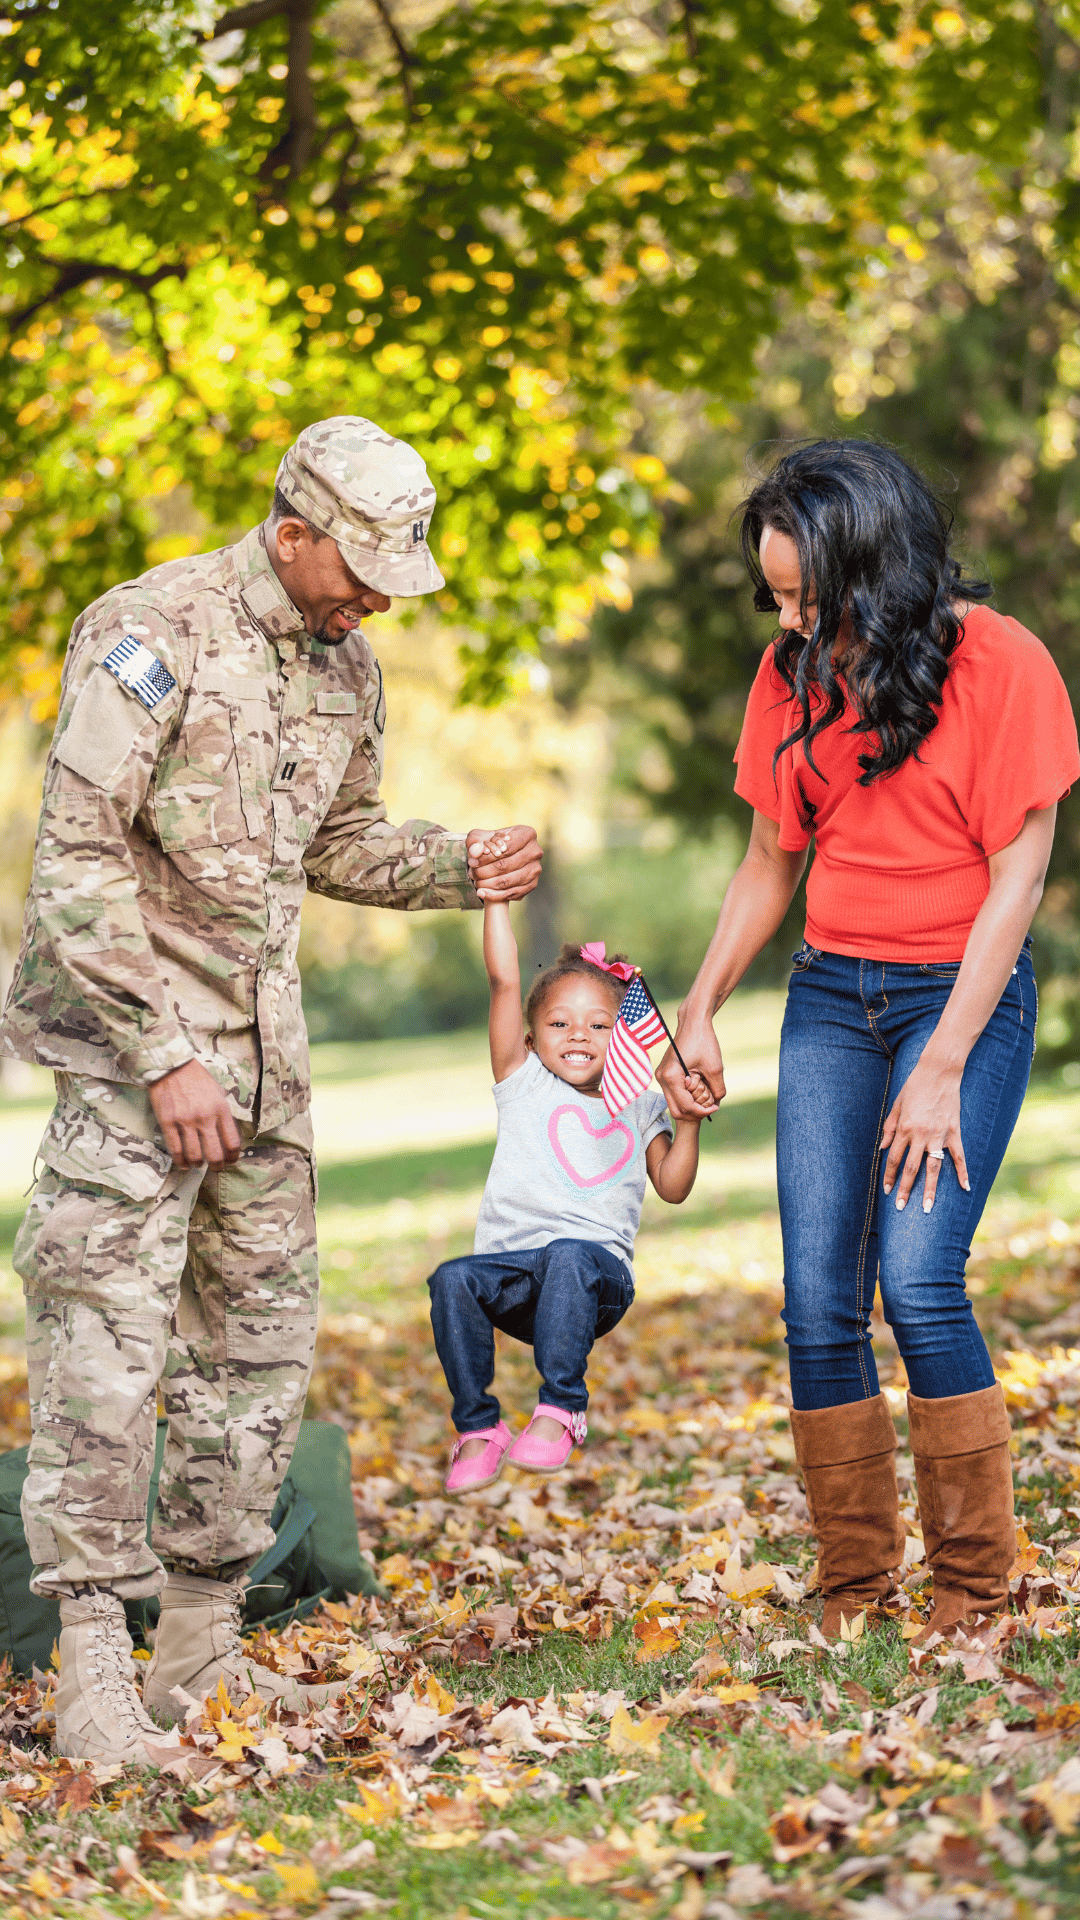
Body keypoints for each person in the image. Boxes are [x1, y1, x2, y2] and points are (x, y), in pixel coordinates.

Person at [0, 416, 542, 1762]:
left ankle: (195, 1655)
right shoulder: (152, 629)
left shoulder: (347, 671)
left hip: (267, 1076)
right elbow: (75, 862)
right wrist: (165, 1054)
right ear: (290, 528)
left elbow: (337, 843)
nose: (373, 598)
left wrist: (454, 863)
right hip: (137, 1071)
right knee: (106, 1357)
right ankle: (90, 1677)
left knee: (254, 1362)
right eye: (358, 565)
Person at [657, 439, 1080, 1641]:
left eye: (805, 595)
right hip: (833, 1000)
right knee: (813, 1301)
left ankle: (974, 1594)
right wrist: (701, 1004)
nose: (787, 621)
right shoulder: (792, 675)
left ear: (875, 564)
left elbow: (1019, 879)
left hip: (965, 997)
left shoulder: (1003, 664)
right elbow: (768, 860)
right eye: (772, 596)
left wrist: (943, 1064)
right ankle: (855, 1593)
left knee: (921, 1281)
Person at [427, 893, 702, 1494]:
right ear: (530, 1036)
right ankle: (479, 1427)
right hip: (515, 1278)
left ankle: (561, 1410)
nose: (579, 1035)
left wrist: (687, 1121)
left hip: (594, 1282)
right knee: (451, 1278)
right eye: (559, 1023)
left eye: (600, 1025)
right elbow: (503, 981)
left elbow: (674, 1187)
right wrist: (496, 901)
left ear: (624, 1033)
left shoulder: (636, 1101)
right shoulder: (522, 1082)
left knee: (571, 1251)